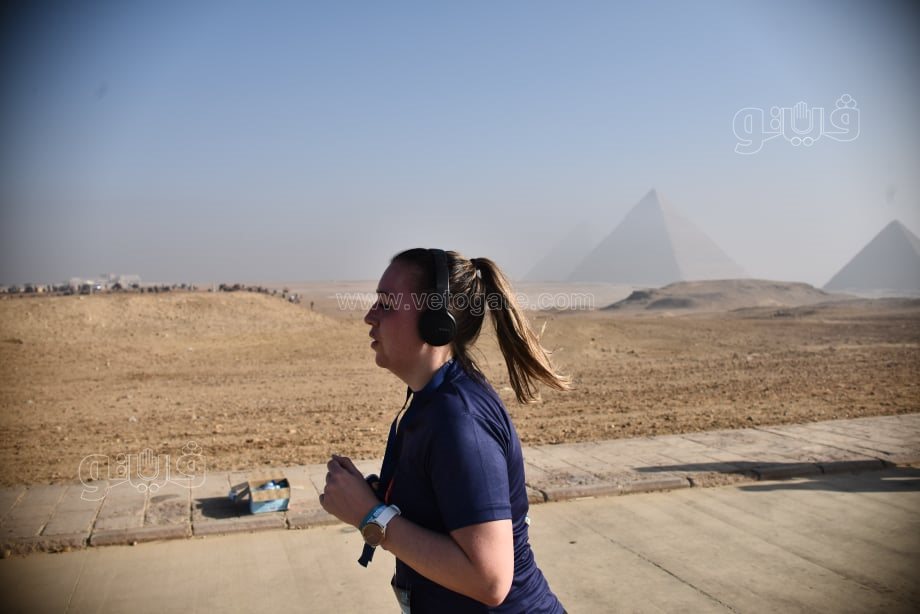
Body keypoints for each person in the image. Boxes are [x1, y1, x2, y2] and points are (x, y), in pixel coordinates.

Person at [320, 248, 569, 613]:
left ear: (436, 321)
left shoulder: (459, 420)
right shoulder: (431, 401)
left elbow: (490, 580)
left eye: (386, 304)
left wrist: (371, 516)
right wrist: (377, 498)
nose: (369, 316)